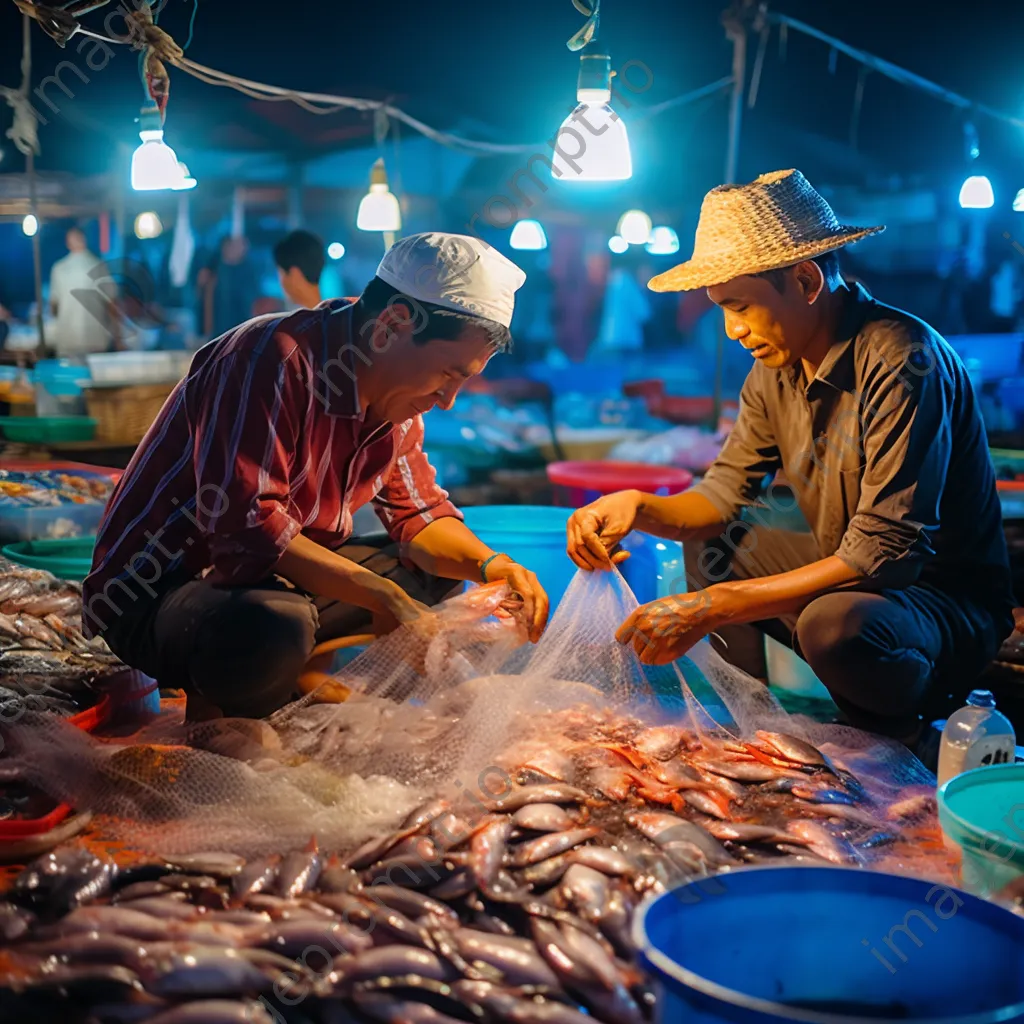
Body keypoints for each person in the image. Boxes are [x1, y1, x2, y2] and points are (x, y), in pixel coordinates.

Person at [566, 169, 1015, 743]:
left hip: (937, 599)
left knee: (832, 627)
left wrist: (715, 606)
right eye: (720, 310)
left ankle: (898, 739)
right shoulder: (774, 369)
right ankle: (755, 727)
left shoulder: (903, 359)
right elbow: (723, 497)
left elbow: (888, 554)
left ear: (805, 280)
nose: (731, 330)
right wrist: (637, 505)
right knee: (714, 544)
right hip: (857, 573)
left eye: (741, 307)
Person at [83, 232, 550, 720]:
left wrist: (491, 566)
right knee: (274, 624)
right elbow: (247, 528)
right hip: (156, 594)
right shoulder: (271, 359)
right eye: (449, 375)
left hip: (271, 576)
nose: (449, 399)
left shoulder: (398, 399)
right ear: (392, 324)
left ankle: (310, 692)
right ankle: (223, 722)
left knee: (429, 581)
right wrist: (381, 594)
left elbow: (420, 514)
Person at [48, 227, 119, 358]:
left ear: (68, 243)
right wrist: (118, 335)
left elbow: (53, 306)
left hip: (67, 339)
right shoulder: (98, 265)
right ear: (84, 240)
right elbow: (112, 303)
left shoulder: (58, 268)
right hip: (95, 339)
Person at [274, 229, 326, 309]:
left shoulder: (293, 321)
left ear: (295, 274)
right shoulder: (341, 317)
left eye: (281, 273)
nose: (281, 283)